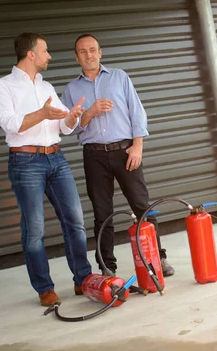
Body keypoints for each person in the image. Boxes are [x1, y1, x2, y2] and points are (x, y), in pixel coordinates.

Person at [0, 33, 92, 307]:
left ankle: (83, 279)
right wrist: (43, 114)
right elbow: (11, 124)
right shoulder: (2, 87)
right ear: (31, 54)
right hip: (25, 163)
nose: (50, 56)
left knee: (75, 222)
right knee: (34, 229)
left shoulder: (46, 87)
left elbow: (63, 127)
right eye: (46, 51)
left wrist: (72, 117)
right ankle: (45, 288)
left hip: (56, 159)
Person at [61, 34, 175, 277]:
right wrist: (89, 113)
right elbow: (68, 127)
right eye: (83, 51)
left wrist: (138, 146)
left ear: (100, 52)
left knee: (142, 206)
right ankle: (107, 267)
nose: (88, 55)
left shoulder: (120, 77)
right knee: (102, 214)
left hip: (125, 151)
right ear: (76, 56)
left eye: (92, 50)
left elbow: (137, 112)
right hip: (94, 156)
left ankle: (157, 259)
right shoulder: (71, 90)